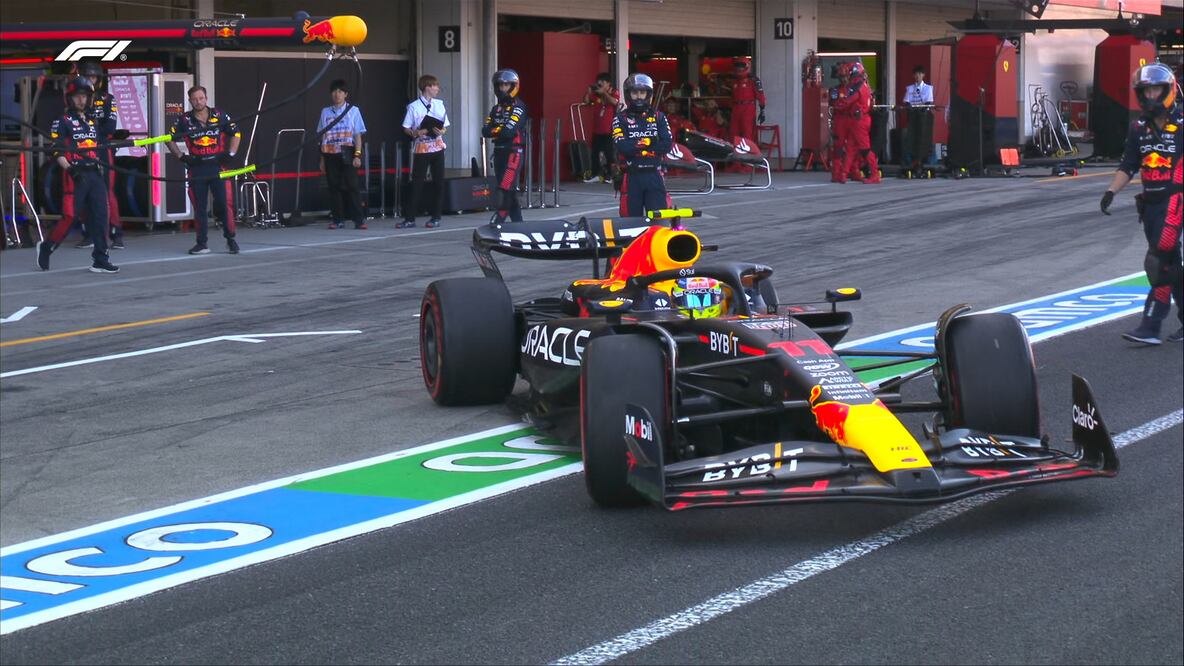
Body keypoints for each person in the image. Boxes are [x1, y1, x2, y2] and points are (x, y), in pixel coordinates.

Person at [1099, 62, 1183, 345]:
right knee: (1172, 263)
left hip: (1177, 199)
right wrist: (1111, 191)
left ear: (1168, 90)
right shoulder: (1138, 128)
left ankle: (1151, 326)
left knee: (1158, 261)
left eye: (1156, 89)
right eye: (1145, 91)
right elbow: (1129, 164)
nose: (1150, 96)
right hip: (1150, 204)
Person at [37, 77, 119, 273]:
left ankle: (100, 259)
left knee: (101, 215)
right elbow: (56, 150)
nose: (81, 100)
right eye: (77, 96)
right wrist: (70, 169)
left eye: (84, 96)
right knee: (69, 217)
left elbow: (100, 143)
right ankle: (47, 246)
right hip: (73, 174)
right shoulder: (62, 121)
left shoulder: (93, 121)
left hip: (95, 174)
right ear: (69, 99)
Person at [166, 85, 241, 255]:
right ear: (190, 101)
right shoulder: (184, 119)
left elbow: (236, 133)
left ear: (206, 98)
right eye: (194, 99)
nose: (198, 102)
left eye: (201, 98)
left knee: (223, 204)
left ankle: (231, 239)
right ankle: (202, 244)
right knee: (199, 207)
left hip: (218, 167)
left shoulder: (220, 115)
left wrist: (230, 154)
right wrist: (181, 156)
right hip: (196, 169)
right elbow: (168, 138)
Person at [75, 60, 125, 249]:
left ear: (99, 79)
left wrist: (88, 130)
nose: (90, 79)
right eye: (87, 76)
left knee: (106, 192)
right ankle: (89, 234)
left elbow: (110, 128)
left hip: (102, 151)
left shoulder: (107, 99)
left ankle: (116, 233)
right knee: (83, 191)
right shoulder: (74, 99)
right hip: (80, 153)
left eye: (93, 76)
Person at [612, 73, 673, 217]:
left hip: (654, 175)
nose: (639, 97)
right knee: (630, 222)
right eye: (635, 93)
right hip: (631, 177)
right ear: (628, 95)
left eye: (642, 92)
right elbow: (623, 147)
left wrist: (638, 145)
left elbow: (666, 144)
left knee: (659, 220)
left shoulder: (658, 117)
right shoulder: (620, 119)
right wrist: (651, 142)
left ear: (648, 94)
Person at [317, 79, 368, 230]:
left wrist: (357, 155)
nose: (337, 94)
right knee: (334, 187)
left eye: (340, 91)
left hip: (347, 151)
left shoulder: (353, 110)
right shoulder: (325, 112)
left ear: (346, 94)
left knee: (352, 186)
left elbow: (357, 134)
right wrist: (322, 158)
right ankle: (338, 219)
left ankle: (359, 220)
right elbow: (322, 135)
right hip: (330, 153)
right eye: (334, 91)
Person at [400, 74, 449, 229]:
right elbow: (406, 127)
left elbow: (445, 126)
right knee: (417, 184)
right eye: (435, 86)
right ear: (427, 87)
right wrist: (416, 133)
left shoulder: (439, 104)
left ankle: (436, 217)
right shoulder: (414, 106)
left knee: (438, 183)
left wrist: (441, 131)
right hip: (421, 149)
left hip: (437, 147)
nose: (437, 89)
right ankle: (410, 218)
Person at [482, 69, 528, 224]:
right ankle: (519, 225)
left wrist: (496, 129)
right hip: (499, 152)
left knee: (504, 188)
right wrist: (499, 130)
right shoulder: (496, 109)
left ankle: (497, 222)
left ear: (514, 86)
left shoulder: (519, 107)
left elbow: (509, 132)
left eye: (506, 85)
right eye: (500, 85)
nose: (502, 88)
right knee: (509, 190)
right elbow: (485, 130)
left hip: (514, 153)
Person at [834, 61, 880, 184]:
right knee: (850, 148)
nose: (847, 77)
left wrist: (838, 105)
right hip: (859, 119)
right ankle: (843, 174)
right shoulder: (864, 86)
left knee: (864, 150)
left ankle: (875, 174)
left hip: (859, 120)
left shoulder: (858, 86)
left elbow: (848, 100)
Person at [583, 73, 620, 183]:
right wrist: (588, 92)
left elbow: (615, 102)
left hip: (609, 130)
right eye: (598, 82)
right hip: (597, 130)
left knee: (610, 154)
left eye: (602, 82)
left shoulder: (614, 92)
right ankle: (595, 174)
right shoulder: (596, 94)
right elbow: (586, 101)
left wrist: (604, 93)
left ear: (608, 83)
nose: (600, 84)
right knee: (594, 153)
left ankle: (610, 176)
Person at [901, 64, 935, 177]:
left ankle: (923, 161)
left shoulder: (928, 88)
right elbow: (906, 101)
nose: (917, 76)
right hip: (913, 118)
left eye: (920, 74)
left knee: (923, 140)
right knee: (911, 139)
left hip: (924, 119)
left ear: (923, 75)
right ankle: (912, 161)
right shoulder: (910, 88)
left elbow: (929, 102)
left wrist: (922, 109)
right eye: (916, 74)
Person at [729, 57, 766, 144]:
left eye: (741, 65)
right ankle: (736, 154)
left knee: (747, 132)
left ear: (747, 66)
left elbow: (760, 94)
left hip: (748, 108)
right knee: (734, 133)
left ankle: (748, 154)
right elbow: (732, 97)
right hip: (736, 108)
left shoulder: (753, 80)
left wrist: (762, 109)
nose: (739, 68)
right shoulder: (734, 81)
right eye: (737, 66)